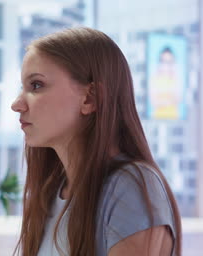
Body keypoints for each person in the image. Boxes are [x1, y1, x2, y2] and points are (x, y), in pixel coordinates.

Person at [11, 27, 181, 256]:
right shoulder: (51, 192)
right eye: (23, 87)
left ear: (90, 98)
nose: (17, 104)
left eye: (37, 85)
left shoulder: (131, 188)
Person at [149, 46, 183, 119]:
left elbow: (178, 98)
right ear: (160, 62)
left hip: (174, 118)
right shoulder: (155, 79)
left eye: (169, 62)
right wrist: (170, 101)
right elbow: (154, 102)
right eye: (164, 61)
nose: (166, 65)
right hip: (157, 117)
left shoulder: (176, 78)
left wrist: (163, 101)